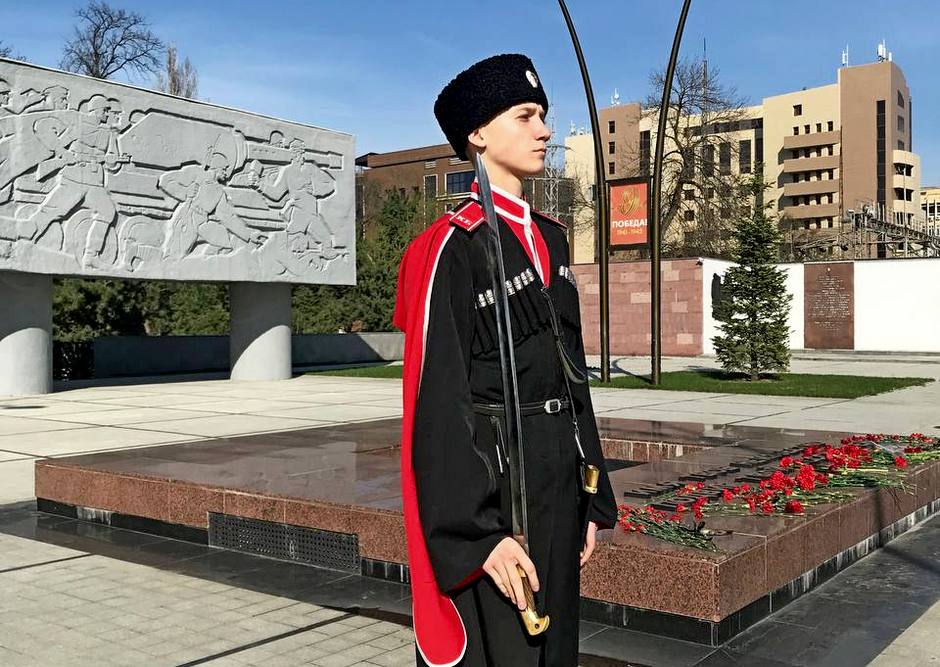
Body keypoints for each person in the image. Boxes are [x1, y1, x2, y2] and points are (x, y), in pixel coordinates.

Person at [393, 54, 618, 666]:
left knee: (557, 651)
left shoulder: (552, 237)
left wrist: (591, 493)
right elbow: (440, 404)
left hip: (559, 480)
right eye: (525, 116)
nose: (544, 129)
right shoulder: (452, 248)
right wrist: (478, 535)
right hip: (496, 492)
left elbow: (573, 376)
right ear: (478, 133)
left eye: (543, 114)